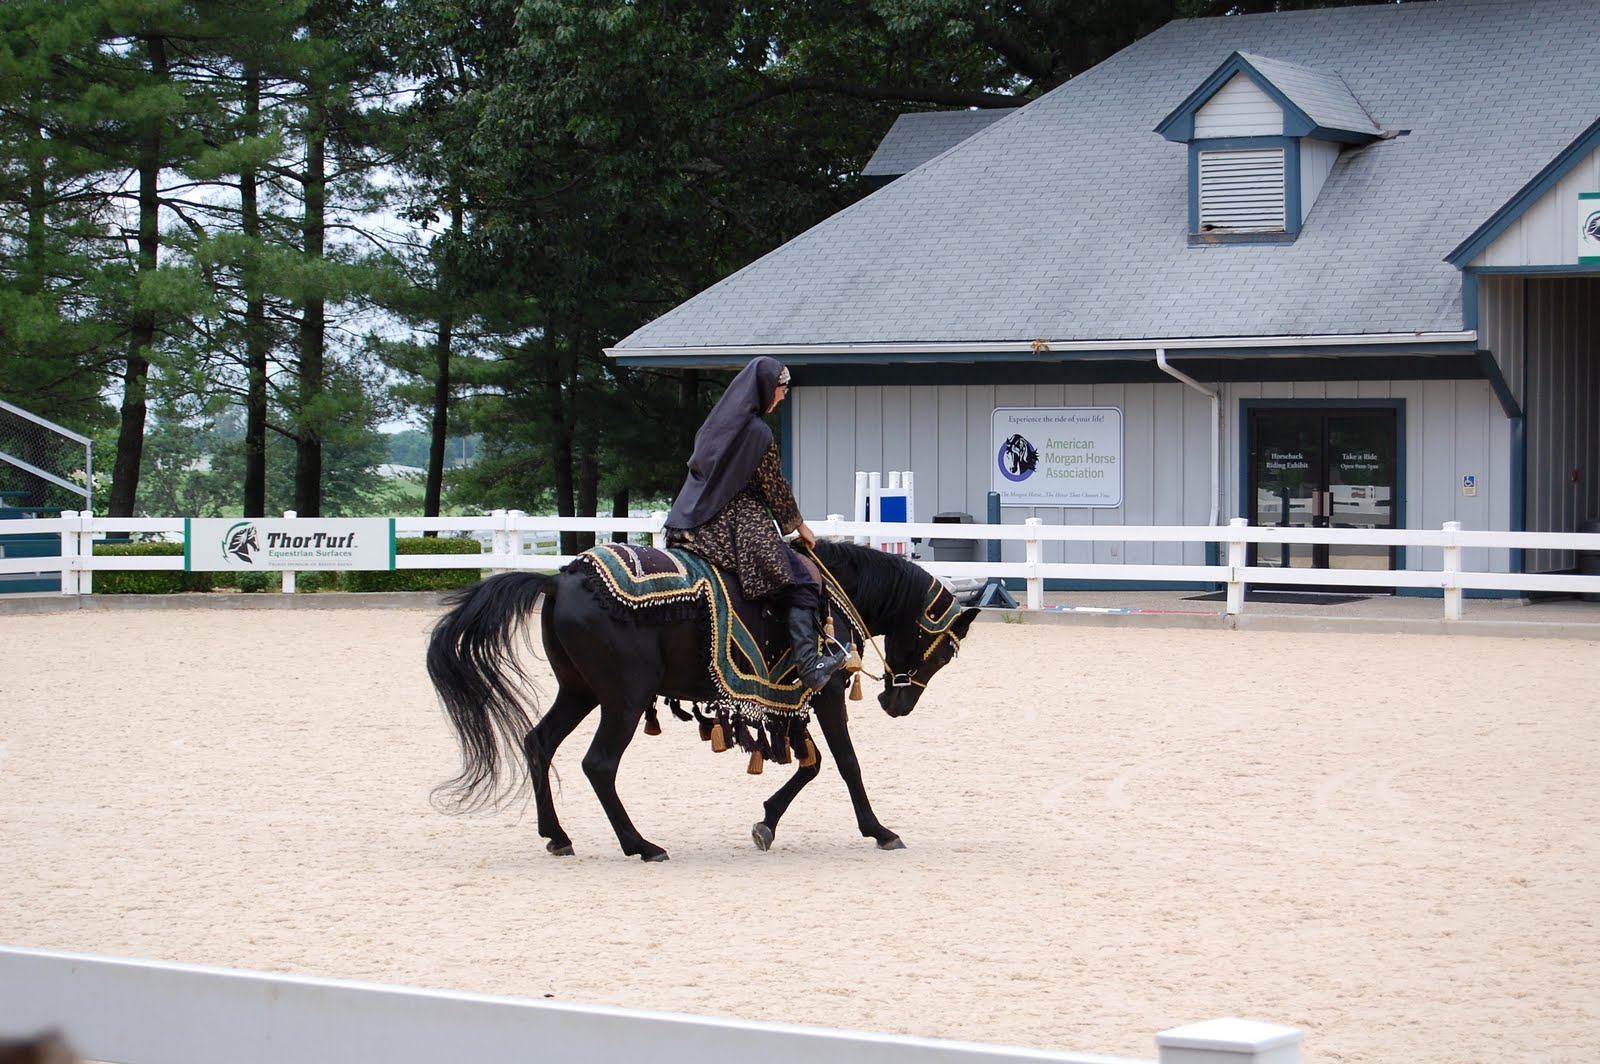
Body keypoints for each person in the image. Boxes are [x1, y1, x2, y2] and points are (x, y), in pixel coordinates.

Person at [664, 356, 849, 692]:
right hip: (732, 520)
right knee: (798, 579)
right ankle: (809, 664)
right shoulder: (757, 432)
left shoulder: (717, 424)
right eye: (781, 390)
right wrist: (798, 525)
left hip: (686, 520)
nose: (783, 397)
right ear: (765, 390)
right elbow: (773, 485)